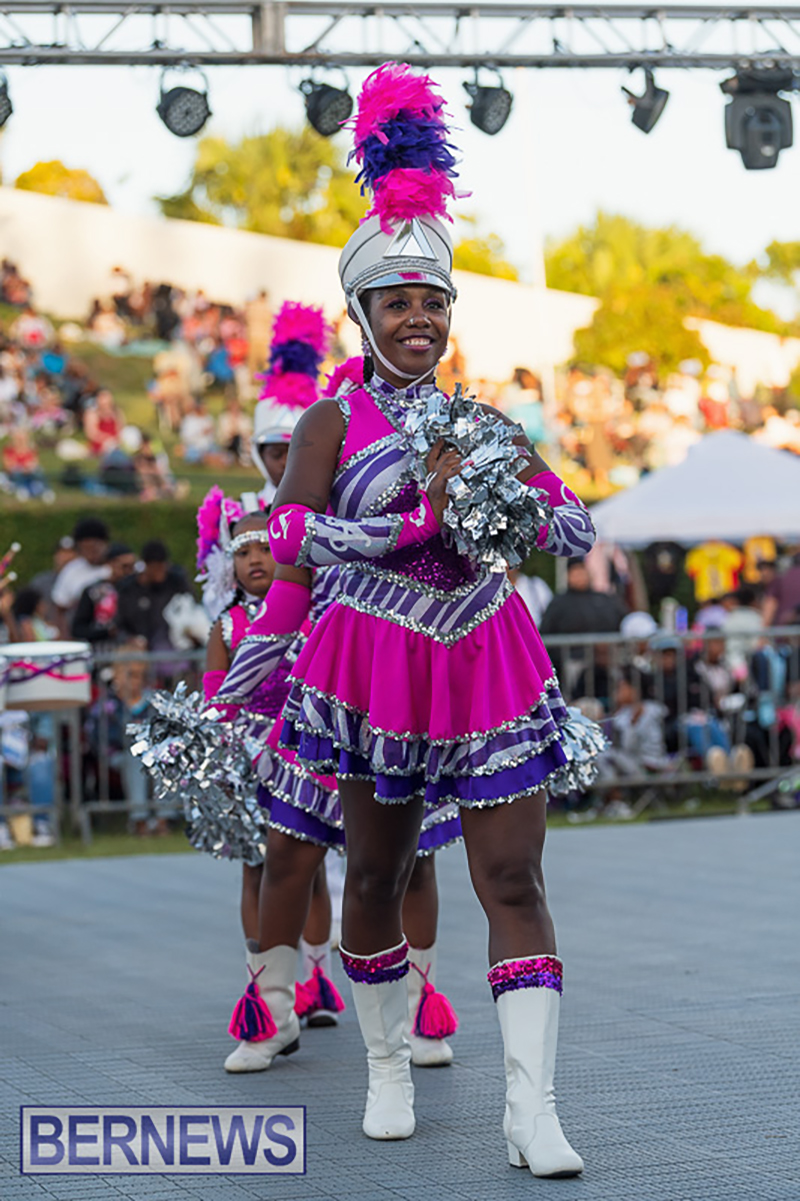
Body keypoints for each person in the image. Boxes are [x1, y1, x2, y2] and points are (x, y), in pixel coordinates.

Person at [231, 65, 600, 1174]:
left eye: (433, 302)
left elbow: (574, 523)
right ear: (363, 314)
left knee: (512, 879)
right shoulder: (330, 422)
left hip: (486, 654)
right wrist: (411, 523)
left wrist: (507, 497)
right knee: (375, 877)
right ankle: (387, 1065)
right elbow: (289, 536)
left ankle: (531, 1110)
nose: (418, 318)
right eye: (397, 303)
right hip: (372, 667)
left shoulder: (483, 422)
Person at [207, 308, 460, 1074]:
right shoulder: (282, 516)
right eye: (275, 450)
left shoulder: (410, 457)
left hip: (400, 682)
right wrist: (230, 694)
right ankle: (272, 1013)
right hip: (317, 697)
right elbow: (283, 599)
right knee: (287, 852)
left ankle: (420, 1011)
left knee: (415, 858)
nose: (289, 456)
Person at [116, 541, 192, 654]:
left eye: (162, 566)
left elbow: (190, 609)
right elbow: (120, 623)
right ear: (146, 566)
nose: (159, 572)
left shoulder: (176, 583)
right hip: (139, 645)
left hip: (172, 644)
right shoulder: (129, 589)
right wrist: (130, 638)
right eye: (155, 567)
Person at [71, 542, 136, 649]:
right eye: (124, 567)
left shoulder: (138, 591)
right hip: (102, 651)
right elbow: (78, 629)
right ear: (110, 564)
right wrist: (105, 632)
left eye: (132, 567)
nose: (129, 572)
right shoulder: (94, 592)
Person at [51, 518, 110, 630]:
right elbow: (60, 608)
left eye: (94, 549)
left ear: (105, 544)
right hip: (80, 633)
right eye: (86, 549)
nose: (91, 555)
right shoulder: (71, 571)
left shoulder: (115, 568)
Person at [83, 389, 123, 457]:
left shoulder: (116, 412)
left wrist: (115, 440)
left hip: (114, 444)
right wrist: (107, 439)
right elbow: (91, 433)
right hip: (99, 446)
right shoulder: (92, 413)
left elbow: (120, 429)